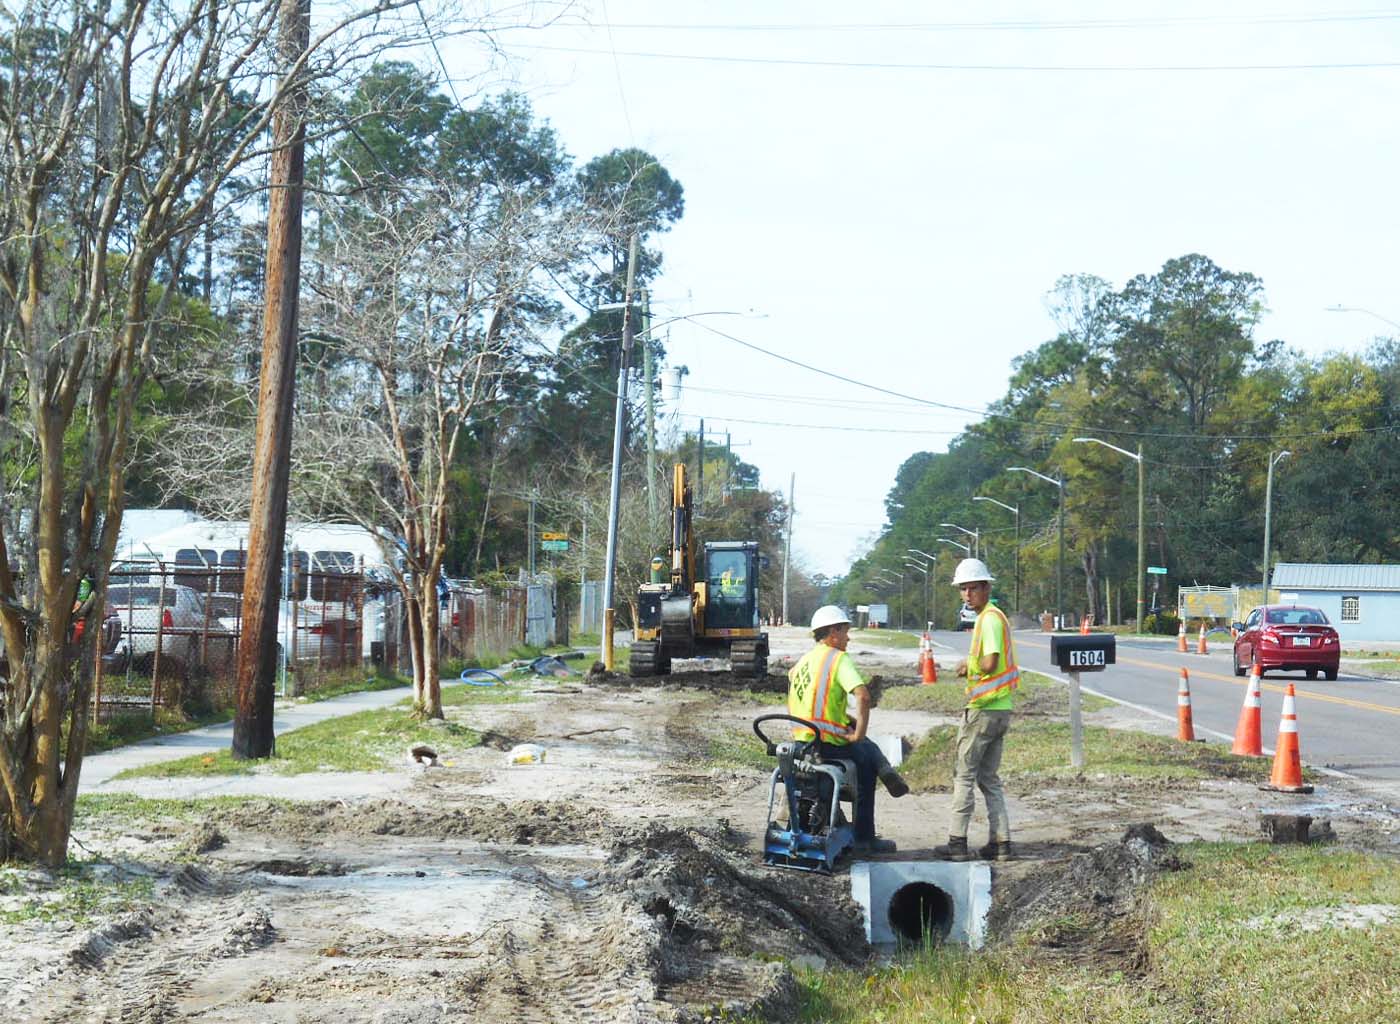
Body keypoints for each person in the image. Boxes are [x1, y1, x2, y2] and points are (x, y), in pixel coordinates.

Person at [787, 605, 907, 854]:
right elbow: (863, 697)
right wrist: (858, 733)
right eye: (845, 632)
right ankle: (864, 838)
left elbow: (815, 702)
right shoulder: (837, 658)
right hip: (825, 743)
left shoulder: (804, 661)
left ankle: (885, 770)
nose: (848, 638)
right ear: (833, 632)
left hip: (802, 741)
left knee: (862, 745)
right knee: (865, 761)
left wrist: (845, 720)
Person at [935, 558, 1019, 862]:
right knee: (989, 778)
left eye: (973, 588)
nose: (967, 594)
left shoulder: (990, 620)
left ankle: (957, 842)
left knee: (964, 775)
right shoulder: (990, 618)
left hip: (984, 710)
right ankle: (1001, 843)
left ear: (987, 587)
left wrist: (966, 665)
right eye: (963, 589)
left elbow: (989, 663)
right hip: (999, 709)